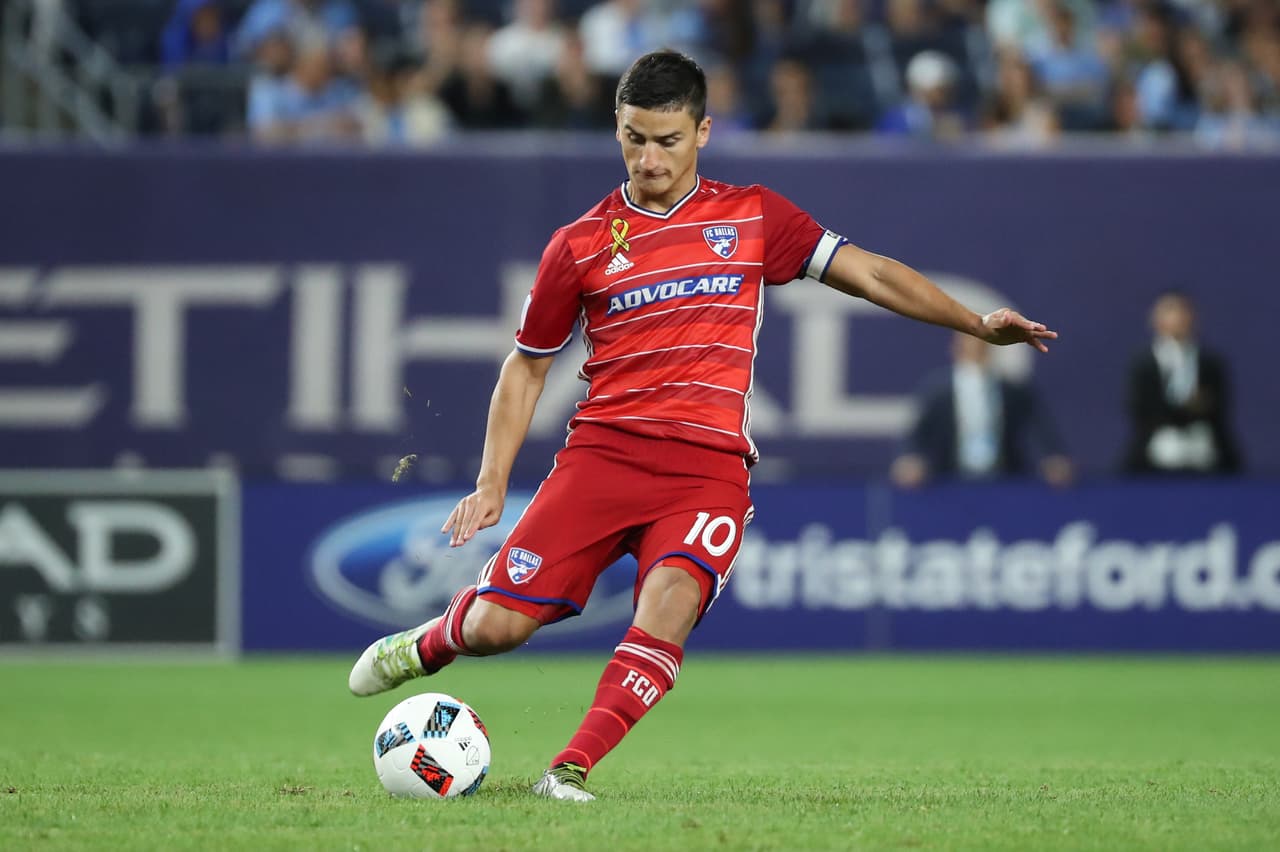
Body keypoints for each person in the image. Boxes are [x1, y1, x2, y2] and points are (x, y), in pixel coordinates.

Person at [347, 49, 1058, 802]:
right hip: (602, 459)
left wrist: (976, 324)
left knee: (671, 606)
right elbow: (526, 367)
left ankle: (569, 769)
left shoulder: (754, 215)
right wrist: (493, 483)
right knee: (497, 630)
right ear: (616, 130)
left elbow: (873, 274)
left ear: (704, 132)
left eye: (667, 140)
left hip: (707, 470)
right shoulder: (581, 243)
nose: (649, 158)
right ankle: (427, 642)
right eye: (633, 139)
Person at [890, 331, 1073, 488]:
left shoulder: (1011, 390)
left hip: (1005, 480)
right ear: (956, 346)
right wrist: (910, 458)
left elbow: (1037, 427)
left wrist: (1051, 457)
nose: (975, 345)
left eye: (981, 341)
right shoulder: (938, 391)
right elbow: (918, 431)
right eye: (968, 340)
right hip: (949, 481)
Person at [1123, 291, 1241, 475]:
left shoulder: (1210, 364)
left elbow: (1218, 407)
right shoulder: (1143, 366)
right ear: (1155, 319)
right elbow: (1140, 410)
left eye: (1183, 311)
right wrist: (1184, 407)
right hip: (1156, 449)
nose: (1178, 317)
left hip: (1204, 446)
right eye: (1170, 310)